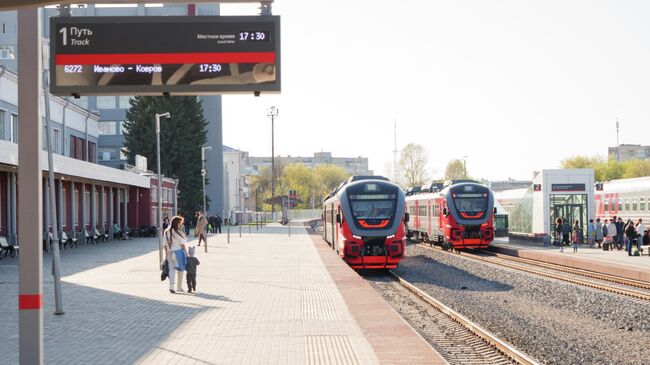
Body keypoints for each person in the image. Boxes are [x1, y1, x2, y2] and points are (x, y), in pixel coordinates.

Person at [163, 216, 188, 293]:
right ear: (177, 223)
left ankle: (171, 286)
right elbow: (182, 244)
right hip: (178, 252)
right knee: (181, 269)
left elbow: (165, 244)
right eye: (180, 223)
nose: (181, 224)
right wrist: (186, 254)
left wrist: (166, 254)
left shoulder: (166, 231)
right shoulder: (179, 232)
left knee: (171, 270)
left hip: (170, 252)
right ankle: (179, 287)